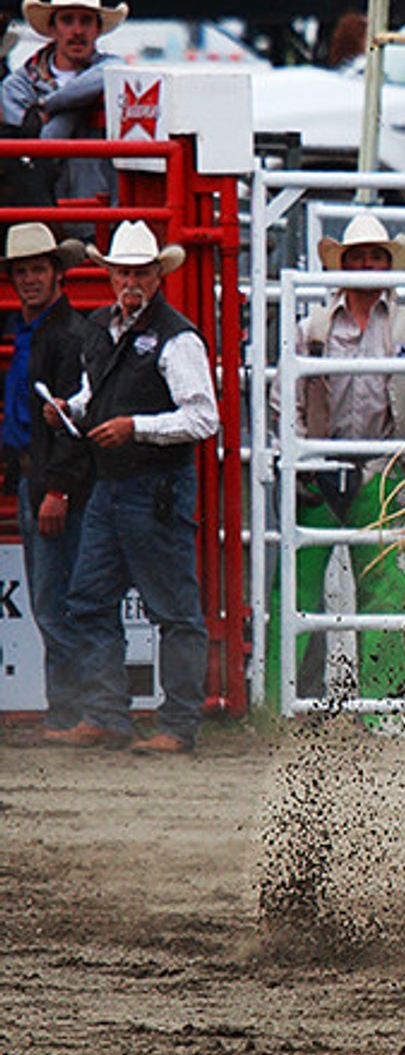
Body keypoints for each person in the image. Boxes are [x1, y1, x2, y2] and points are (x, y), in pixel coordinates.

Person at [45, 221, 217, 754]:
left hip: (153, 485)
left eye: (140, 272)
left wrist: (135, 426)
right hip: (119, 485)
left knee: (171, 610)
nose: (130, 282)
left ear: (157, 276)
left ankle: (174, 723)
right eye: (123, 273)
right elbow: (94, 392)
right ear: (111, 275)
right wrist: (69, 410)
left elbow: (203, 418)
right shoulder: (105, 329)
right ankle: (112, 715)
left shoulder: (178, 337)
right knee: (91, 597)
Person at [264, 213, 405, 722]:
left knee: (387, 590)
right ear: (341, 265)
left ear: (388, 265)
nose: (366, 264)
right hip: (319, 465)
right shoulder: (311, 328)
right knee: (296, 587)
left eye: (375, 257)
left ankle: (381, 708)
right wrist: (299, 458)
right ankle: (286, 704)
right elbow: (285, 401)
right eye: (358, 257)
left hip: (383, 465)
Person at [2, 223, 95, 740]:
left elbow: (70, 423)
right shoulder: (38, 331)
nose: (30, 278)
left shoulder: (65, 336)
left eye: (39, 269)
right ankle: (75, 711)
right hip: (35, 476)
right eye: (23, 270)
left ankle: (73, 713)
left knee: (57, 600)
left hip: (52, 483)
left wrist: (57, 486)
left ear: (57, 273)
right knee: (55, 600)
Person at [1, 0, 127, 210]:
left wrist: (48, 106)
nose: (77, 31)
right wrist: (78, 104)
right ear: (52, 29)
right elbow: (41, 152)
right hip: (43, 213)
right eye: (67, 20)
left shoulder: (112, 72)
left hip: (100, 217)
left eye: (86, 20)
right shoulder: (16, 87)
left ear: (97, 29)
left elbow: (42, 142)